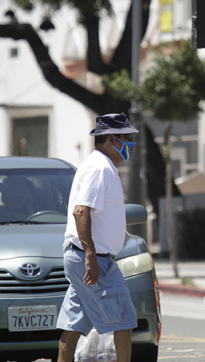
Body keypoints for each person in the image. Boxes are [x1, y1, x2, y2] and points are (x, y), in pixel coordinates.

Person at [56, 113, 140, 362]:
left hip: (84, 257)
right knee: (124, 320)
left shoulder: (101, 165)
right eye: (127, 137)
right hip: (94, 260)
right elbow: (81, 211)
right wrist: (91, 256)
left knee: (72, 329)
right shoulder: (100, 167)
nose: (131, 143)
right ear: (111, 140)